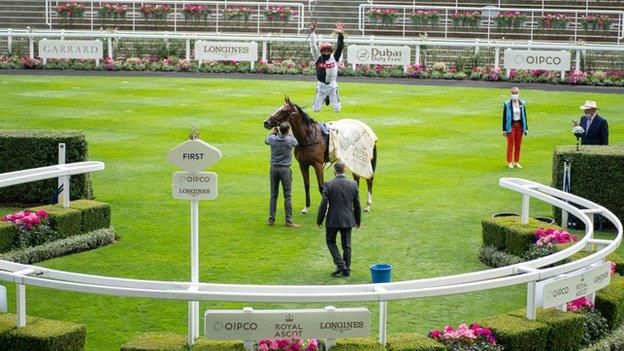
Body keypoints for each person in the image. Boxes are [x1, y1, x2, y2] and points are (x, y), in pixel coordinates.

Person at [316, 162, 361, 277]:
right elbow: (357, 205)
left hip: (333, 219)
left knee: (330, 242)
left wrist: (319, 220)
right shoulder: (353, 184)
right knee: (347, 245)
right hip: (348, 219)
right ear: (345, 170)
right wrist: (358, 221)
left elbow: (323, 204)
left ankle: (341, 265)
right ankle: (346, 268)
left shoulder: (329, 184)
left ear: (334, 171)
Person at [265, 122, 300, 228]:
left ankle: (271, 219)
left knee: (273, 195)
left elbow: (266, 140)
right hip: (285, 170)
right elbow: (296, 142)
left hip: (274, 169)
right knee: (287, 196)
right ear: (288, 130)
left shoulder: (272, 139)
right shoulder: (290, 140)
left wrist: (272, 133)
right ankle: (289, 221)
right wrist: (290, 132)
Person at [309, 21, 344, 113]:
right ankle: (325, 97)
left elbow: (340, 47)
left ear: (331, 51)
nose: (326, 52)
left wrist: (340, 33)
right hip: (321, 86)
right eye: (325, 50)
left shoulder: (334, 58)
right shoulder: (317, 58)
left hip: (332, 86)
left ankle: (329, 96)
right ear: (321, 51)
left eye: (328, 51)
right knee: (316, 110)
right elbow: (313, 46)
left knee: (337, 109)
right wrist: (312, 33)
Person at [502, 87, 528, 168]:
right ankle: (510, 161)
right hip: (511, 125)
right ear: (511, 94)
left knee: (518, 144)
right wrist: (504, 130)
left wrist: (525, 128)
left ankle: (516, 161)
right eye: (513, 93)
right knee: (510, 143)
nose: (514, 95)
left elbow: (524, 116)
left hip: (519, 125)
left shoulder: (522, 103)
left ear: (518, 94)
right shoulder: (507, 104)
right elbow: (504, 117)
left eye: (516, 93)